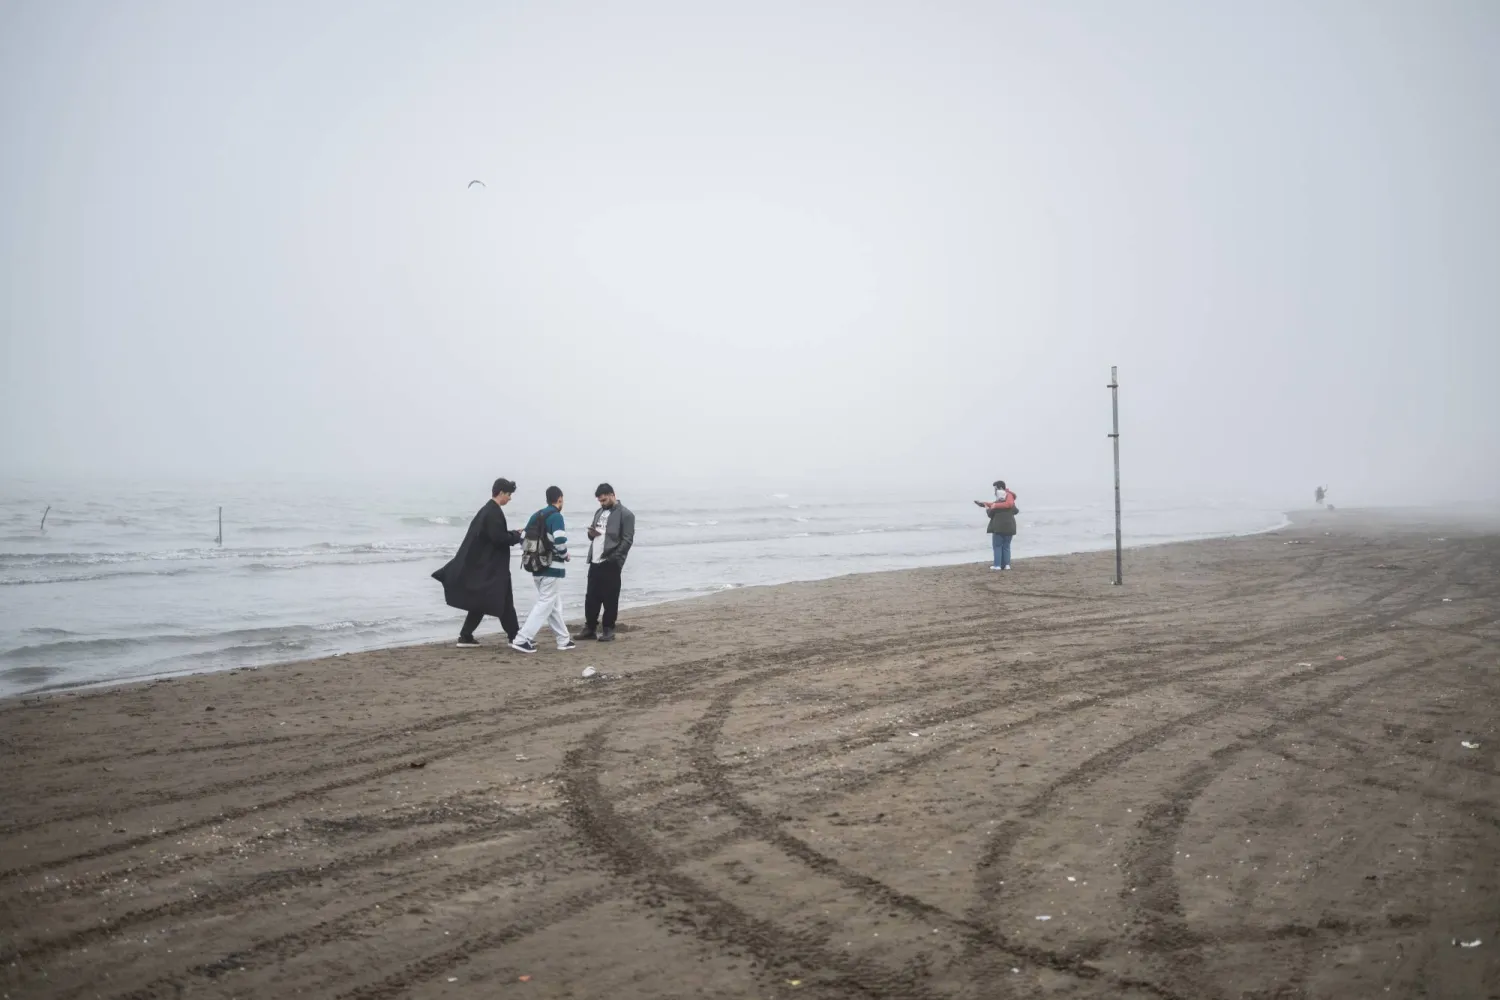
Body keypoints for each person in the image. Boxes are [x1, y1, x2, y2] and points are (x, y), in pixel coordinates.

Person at [432, 478, 522, 647]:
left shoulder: (487, 510)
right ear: (501, 492)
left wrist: (512, 533)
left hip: (484, 566)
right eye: (509, 494)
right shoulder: (493, 512)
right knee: (504, 601)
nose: (510, 498)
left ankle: (466, 636)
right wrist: (517, 537)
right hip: (491, 568)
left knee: (480, 600)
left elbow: (492, 536)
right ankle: (515, 637)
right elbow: (498, 538)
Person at [510, 486, 577, 653]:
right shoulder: (556, 516)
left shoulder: (536, 515)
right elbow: (560, 541)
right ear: (560, 499)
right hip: (552, 568)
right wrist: (565, 555)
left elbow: (523, 538)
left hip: (535, 567)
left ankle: (564, 639)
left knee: (551, 604)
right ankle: (522, 639)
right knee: (545, 603)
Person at [577, 483, 636, 642]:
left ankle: (608, 629)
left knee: (610, 598)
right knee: (591, 597)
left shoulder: (626, 514)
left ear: (612, 495)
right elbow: (596, 536)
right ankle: (590, 627)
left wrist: (614, 558)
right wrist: (591, 534)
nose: (602, 503)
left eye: (604, 500)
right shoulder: (599, 512)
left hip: (611, 561)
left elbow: (627, 540)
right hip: (595, 560)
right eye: (600, 501)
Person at [974, 480, 1018, 570]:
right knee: (1006, 546)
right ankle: (1007, 565)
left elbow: (990, 514)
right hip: (1010, 527)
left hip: (998, 528)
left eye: (995, 490)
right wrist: (985, 504)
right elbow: (1016, 511)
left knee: (997, 546)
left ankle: (997, 565)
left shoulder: (996, 505)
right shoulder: (1010, 504)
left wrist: (987, 508)